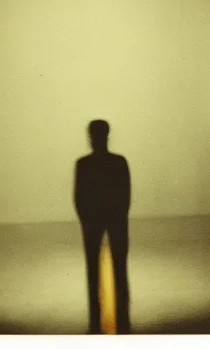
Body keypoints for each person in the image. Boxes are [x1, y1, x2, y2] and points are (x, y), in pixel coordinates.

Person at [74, 120, 131, 334]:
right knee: (120, 269)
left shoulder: (83, 164)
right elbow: (125, 195)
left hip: (93, 221)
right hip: (114, 220)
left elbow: (79, 197)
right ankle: (123, 317)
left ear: (91, 137)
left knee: (92, 270)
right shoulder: (118, 162)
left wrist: (87, 220)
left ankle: (95, 320)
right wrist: (118, 218)